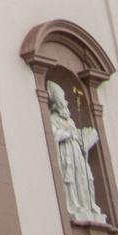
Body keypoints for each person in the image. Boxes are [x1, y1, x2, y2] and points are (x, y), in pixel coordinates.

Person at [47, 80, 106, 222]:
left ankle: (87, 205)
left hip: (77, 155)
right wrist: (69, 134)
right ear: (57, 103)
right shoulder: (53, 119)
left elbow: (78, 137)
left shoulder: (71, 121)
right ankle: (74, 205)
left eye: (66, 100)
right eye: (64, 100)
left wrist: (85, 138)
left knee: (85, 177)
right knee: (70, 179)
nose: (66, 103)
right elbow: (54, 135)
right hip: (66, 155)